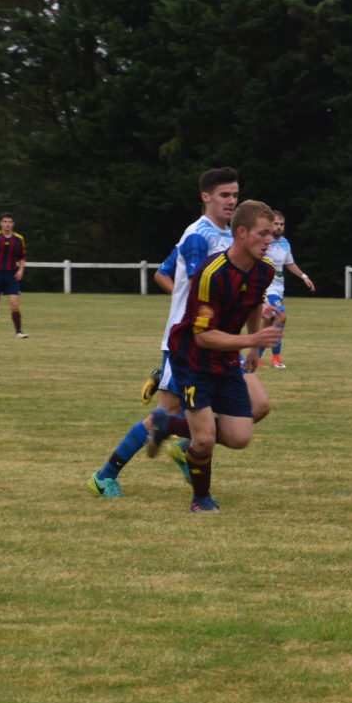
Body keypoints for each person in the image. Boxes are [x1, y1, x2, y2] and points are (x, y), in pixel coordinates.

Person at [90, 167, 272, 498]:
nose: (231, 201)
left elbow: (166, 271)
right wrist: (186, 301)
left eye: (235, 194)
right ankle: (105, 475)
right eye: (224, 195)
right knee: (165, 413)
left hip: (223, 344)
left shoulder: (232, 234)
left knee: (258, 406)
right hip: (191, 344)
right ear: (206, 197)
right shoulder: (197, 236)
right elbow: (193, 281)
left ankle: (188, 444)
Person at [147, 199, 282, 512]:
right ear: (242, 233)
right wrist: (251, 339)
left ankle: (166, 424)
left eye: (271, 234)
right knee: (205, 439)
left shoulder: (264, 270)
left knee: (239, 437)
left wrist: (253, 348)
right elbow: (203, 336)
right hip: (193, 359)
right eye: (263, 233)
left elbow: (253, 304)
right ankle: (201, 499)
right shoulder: (212, 274)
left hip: (226, 357)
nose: (270, 239)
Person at [257, 209, 316, 368]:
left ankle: (257, 357)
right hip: (266, 288)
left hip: (278, 288)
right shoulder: (263, 241)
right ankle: (276, 357)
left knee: (267, 322)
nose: (279, 227)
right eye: (276, 223)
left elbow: (289, 263)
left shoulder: (285, 243)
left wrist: (304, 277)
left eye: (281, 224)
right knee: (281, 316)